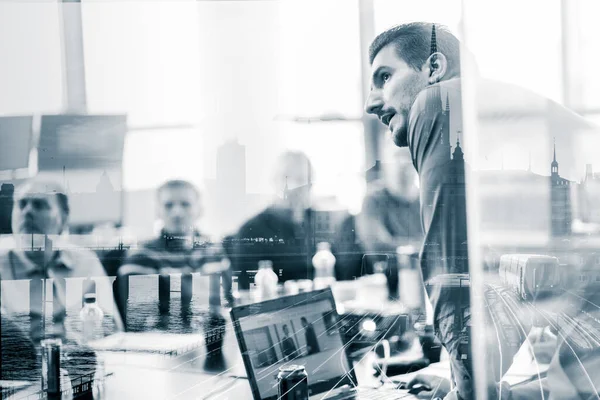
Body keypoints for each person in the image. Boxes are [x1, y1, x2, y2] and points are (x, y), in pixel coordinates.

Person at [365, 22, 596, 399]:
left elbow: (450, 272)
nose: (371, 102)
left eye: (384, 77)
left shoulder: (437, 101)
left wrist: (466, 392)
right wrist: (461, 382)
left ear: (434, 68)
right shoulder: (497, 123)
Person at [0, 179, 123, 344]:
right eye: (21, 204)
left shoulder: (86, 263)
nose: (27, 211)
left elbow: (114, 331)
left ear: (64, 219)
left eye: (39, 204)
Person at [119, 180, 231, 327]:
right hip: (173, 345)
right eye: (168, 205)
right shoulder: (141, 257)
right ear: (158, 212)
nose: (177, 212)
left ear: (200, 210)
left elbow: (230, 301)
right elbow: (141, 323)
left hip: (217, 342)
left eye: (185, 204)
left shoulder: (214, 251)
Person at [229, 152, 317, 289]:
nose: (292, 186)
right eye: (286, 178)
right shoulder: (251, 231)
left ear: (310, 185)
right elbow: (248, 289)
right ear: (274, 181)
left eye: (300, 179)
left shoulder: (321, 222)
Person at [356, 145, 422, 254]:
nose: (402, 164)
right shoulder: (374, 199)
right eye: (397, 158)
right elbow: (377, 248)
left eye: (407, 158)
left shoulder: (426, 200)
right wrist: (419, 247)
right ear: (385, 166)